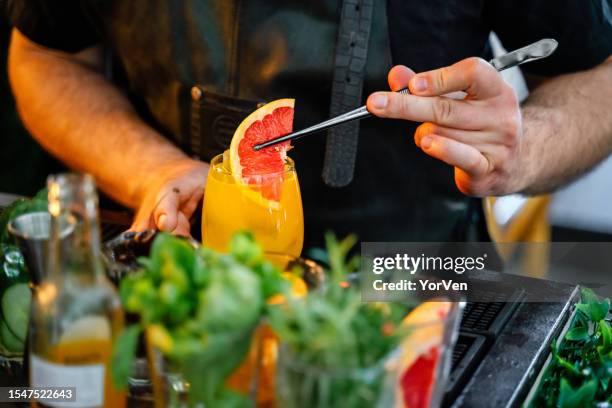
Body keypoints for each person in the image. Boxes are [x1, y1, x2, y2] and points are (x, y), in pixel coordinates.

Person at [6, 0, 612, 247]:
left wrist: (523, 149)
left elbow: (599, 78)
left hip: (407, 275)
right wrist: (150, 170)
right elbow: (45, 56)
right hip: (178, 269)